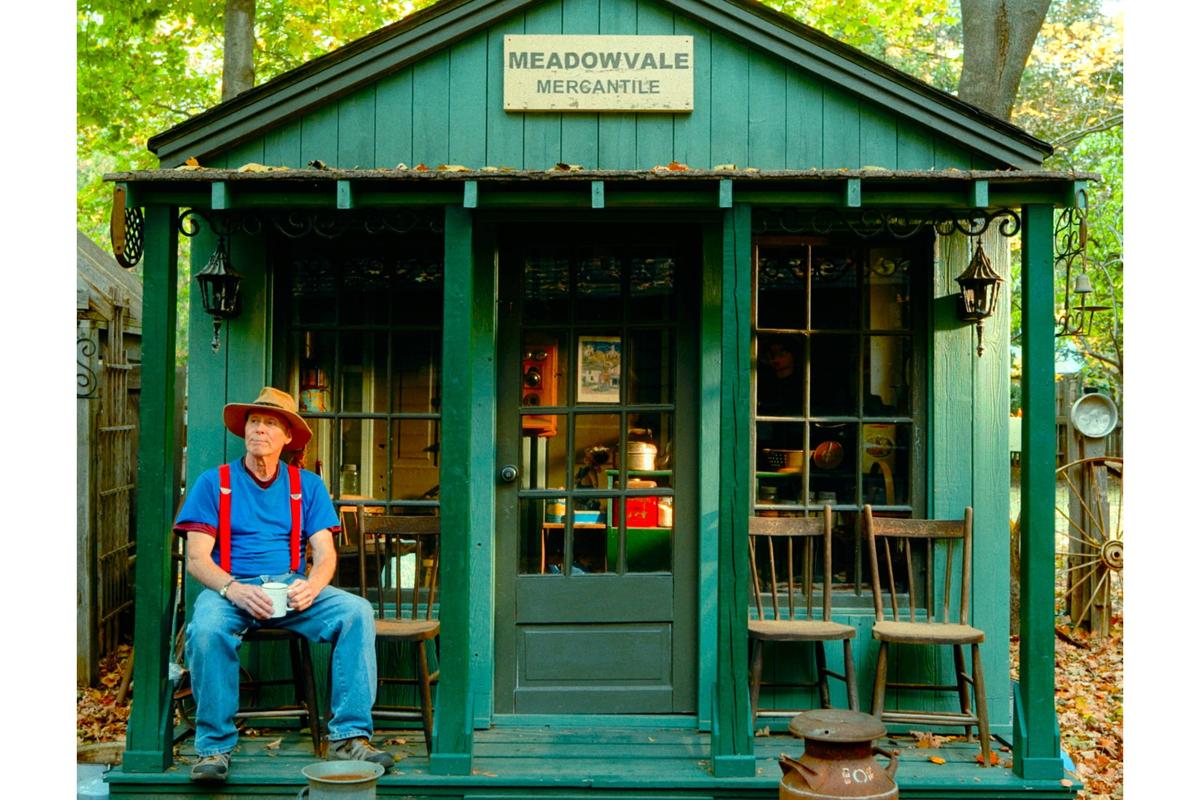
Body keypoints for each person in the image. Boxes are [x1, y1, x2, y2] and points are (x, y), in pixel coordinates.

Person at [174, 387, 393, 782]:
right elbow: (196, 560)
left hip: (289, 588)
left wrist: (312, 585)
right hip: (231, 589)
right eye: (254, 421)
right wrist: (233, 589)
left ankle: (349, 735)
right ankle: (214, 749)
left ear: (287, 436)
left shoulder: (305, 486)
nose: (259, 429)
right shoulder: (214, 483)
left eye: (270, 423)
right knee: (206, 629)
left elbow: (325, 554)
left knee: (356, 611)